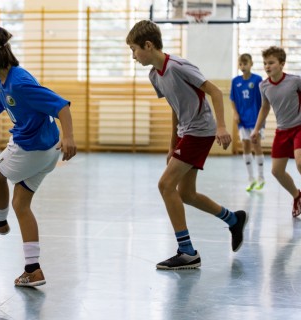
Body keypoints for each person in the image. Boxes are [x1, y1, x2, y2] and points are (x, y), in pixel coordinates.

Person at [126, 20, 248, 270]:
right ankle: (233, 219)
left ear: (148, 45)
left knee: (165, 184)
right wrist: (173, 145)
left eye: (134, 50)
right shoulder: (154, 75)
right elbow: (175, 107)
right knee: (186, 194)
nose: (133, 56)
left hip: (200, 131)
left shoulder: (179, 66)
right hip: (186, 133)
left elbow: (214, 91)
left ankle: (187, 251)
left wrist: (222, 127)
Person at [0, 25, 76, 287]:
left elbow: (61, 105)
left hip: (32, 149)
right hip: (46, 153)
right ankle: (33, 269)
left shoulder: (21, 83)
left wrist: (69, 137)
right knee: (21, 205)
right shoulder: (3, 80)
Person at [251, 46, 301, 218]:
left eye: (271, 63)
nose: (267, 66)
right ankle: (297, 195)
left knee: (300, 162)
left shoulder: (295, 81)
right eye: (265, 63)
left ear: (282, 64)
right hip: (282, 131)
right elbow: (264, 108)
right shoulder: (263, 86)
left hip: (299, 127)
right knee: (276, 171)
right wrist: (256, 129)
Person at [230, 53, 265, 191]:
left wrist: (261, 119)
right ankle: (251, 179)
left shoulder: (257, 80)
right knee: (245, 146)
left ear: (251, 64)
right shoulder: (235, 81)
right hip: (242, 120)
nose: (243, 66)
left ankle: (261, 178)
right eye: (241, 64)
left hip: (255, 119)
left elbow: (263, 101)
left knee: (256, 145)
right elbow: (232, 99)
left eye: (245, 63)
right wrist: (235, 113)